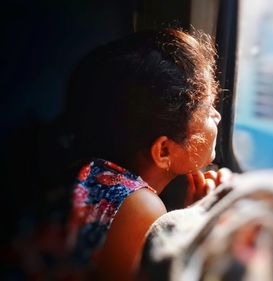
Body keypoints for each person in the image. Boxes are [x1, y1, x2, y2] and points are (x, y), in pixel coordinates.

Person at [6, 28, 229, 280]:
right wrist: (196, 225)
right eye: (208, 109)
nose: (218, 116)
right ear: (163, 150)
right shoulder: (138, 207)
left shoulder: (90, 173)